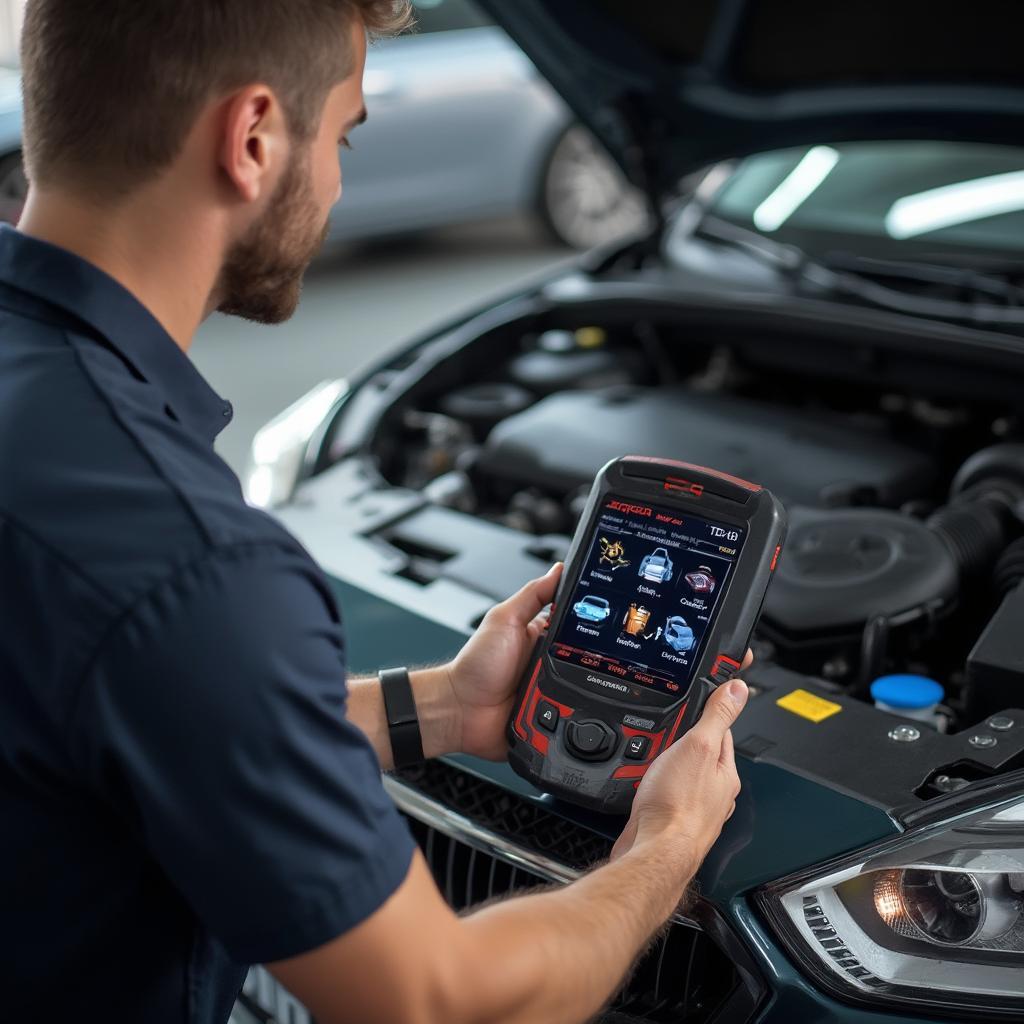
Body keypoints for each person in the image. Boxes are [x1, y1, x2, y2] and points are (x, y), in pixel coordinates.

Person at [0, 2, 749, 1022]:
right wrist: (667, 847)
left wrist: (442, 707)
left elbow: (131, 713)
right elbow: (433, 1002)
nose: (341, 181)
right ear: (254, 136)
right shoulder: (188, 561)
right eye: (344, 134)